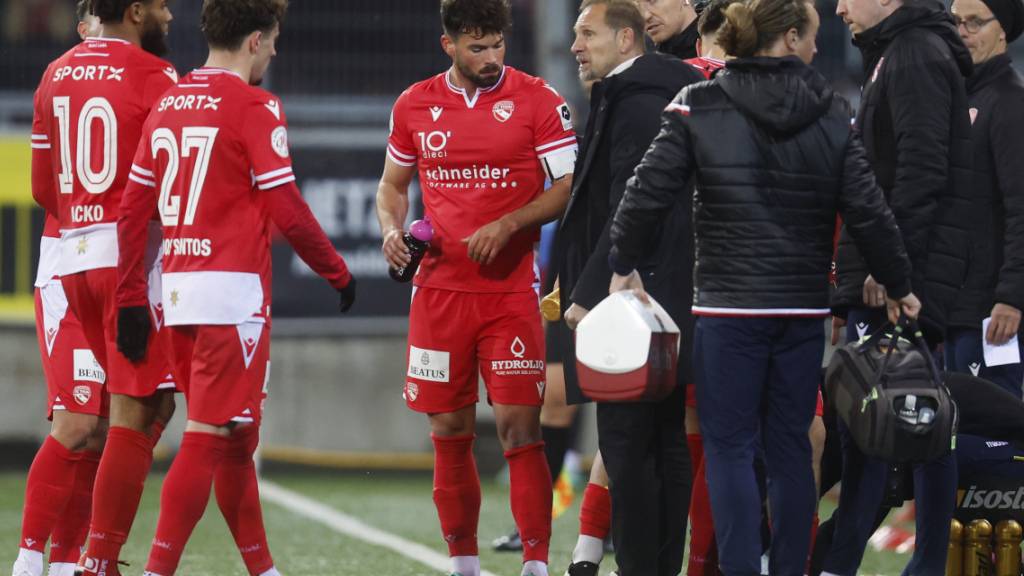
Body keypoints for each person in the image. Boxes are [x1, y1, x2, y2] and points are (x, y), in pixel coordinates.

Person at [605, 0, 920, 574]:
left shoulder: (698, 104)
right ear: (789, 37)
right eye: (813, 35)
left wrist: (623, 263)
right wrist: (898, 282)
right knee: (791, 451)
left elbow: (645, 192)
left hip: (727, 310)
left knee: (727, 451)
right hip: (799, 312)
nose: (819, 48)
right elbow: (869, 209)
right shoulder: (830, 109)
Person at [116, 1, 356, 574]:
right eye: (272, 41)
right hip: (231, 297)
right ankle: (157, 568)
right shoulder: (256, 105)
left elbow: (132, 212)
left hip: (177, 294)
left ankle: (263, 568)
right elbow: (287, 208)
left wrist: (130, 297)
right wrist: (335, 270)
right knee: (207, 434)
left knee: (232, 436)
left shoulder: (169, 101)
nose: (275, 51)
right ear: (254, 40)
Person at [376, 1, 577, 574]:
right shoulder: (413, 105)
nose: (491, 58)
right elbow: (391, 187)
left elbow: (569, 184)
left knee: (521, 427)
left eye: (497, 46)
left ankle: (536, 562)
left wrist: (512, 222)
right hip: (438, 295)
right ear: (449, 46)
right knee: (449, 427)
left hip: (511, 295)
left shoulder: (539, 100)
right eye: (476, 48)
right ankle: (462, 562)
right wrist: (391, 230)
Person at [27, 1, 182, 574]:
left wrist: (81, 218)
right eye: (162, 4)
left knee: (110, 415)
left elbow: (44, 185)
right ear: (136, 10)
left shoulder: (55, 71)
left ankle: (64, 561)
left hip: (71, 257)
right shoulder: (156, 75)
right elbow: (170, 179)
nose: (169, 14)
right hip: (130, 260)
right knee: (140, 408)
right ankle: (98, 560)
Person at [824, 0, 974, 573]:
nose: (839, 8)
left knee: (895, 422)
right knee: (898, 422)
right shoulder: (900, 52)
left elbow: (921, 171)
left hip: (900, 280)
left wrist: (893, 271)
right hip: (892, 274)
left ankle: (906, 562)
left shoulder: (913, 55)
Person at [559, 1, 703, 575]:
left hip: (633, 302)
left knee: (627, 449)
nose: (575, 45)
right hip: (665, 299)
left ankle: (643, 567)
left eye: (587, 33)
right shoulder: (657, 90)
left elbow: (630, 204)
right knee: (664, 443)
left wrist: (590, 292)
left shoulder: (637, 98)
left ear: (625, 39)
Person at [14, 6, 106, 576]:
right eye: (97, 19)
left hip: (118, 276)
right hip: (69, 267)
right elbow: (44, 187)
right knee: (74, 423)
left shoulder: (147, 77)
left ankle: (68, 563)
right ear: (82, 28)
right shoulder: (60, 75)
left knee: (102, 432)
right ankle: (27, 561)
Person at [946, 0, 1024, 396]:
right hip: (955, 306)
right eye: (956, 21)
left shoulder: (1010, 103)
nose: (962, 31)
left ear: (1003, 31)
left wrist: (1010, 297)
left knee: (991, 442)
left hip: (992, 313)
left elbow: (1020, 207)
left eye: (974, 22)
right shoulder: (960, 98)